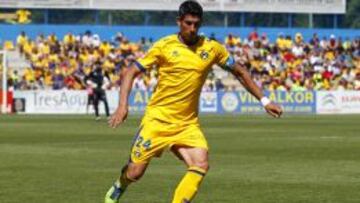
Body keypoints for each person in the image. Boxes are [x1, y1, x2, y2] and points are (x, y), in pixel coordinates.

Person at [106, 1, 283, 203]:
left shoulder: (212, 48)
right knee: (134, 173)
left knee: (201, 163)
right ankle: (121, 184)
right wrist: (122, 106)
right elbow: (131, 71)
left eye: (196, 24)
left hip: (187, 124)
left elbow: (240, 72)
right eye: (188, 23)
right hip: (157, 121)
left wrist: (265, 100)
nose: (193, 28)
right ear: (179, 22)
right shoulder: (164, 46)